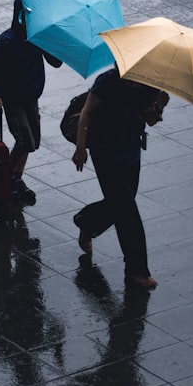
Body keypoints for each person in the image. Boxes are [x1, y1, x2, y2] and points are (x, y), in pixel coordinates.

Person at [71, 67, 169, 290]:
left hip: (130, 151)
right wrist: (80, 147)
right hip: (105, 152)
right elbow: (86, 113)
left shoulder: (149, 84)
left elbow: (150, 120)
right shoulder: (106, 82)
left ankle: (87, 221)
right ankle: (137, 269)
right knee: (127, 212)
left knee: (122, 203)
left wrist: (159, 106)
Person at [0, 0, 62, 203]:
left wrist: (51, 40)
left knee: (32, 142)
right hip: (13, 99)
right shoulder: (6, 41)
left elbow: (56, 62)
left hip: (30, 97)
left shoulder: (37, 39)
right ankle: (4, 177)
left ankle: (14, 178)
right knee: (25, 141)